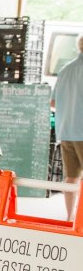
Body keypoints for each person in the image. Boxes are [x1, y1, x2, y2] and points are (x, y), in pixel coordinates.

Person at [50, 34, 83, 221]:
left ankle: (70, 216)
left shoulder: (65, 69)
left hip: (65, 131)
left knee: (71, 177)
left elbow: (53, 102)